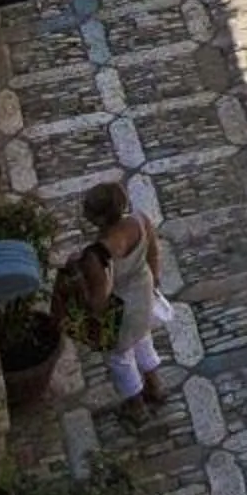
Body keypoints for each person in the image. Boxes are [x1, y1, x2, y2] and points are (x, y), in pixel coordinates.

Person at [72, 183, 168, 427]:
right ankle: (154, 386)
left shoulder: (97, 255)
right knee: (143, 338)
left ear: (96, 217)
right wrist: (153, 283)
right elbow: (154, 255)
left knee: (120, 357)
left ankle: (136, 407)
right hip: (143, 294)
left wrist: (78, 285)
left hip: (120, 309)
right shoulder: (140, 220)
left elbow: (99, 300)